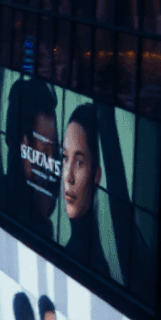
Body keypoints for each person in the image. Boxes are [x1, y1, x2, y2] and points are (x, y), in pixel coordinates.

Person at [1, 75, 60, 240]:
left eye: (54, 153)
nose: (53, 166)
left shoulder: (44, 229)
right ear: (22, 145)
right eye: (44, 152)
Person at [62, 104, 112, 276]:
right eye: (65, 158)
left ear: (97, 176)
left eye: (79, 162)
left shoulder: (97, 268)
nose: (69, 177)